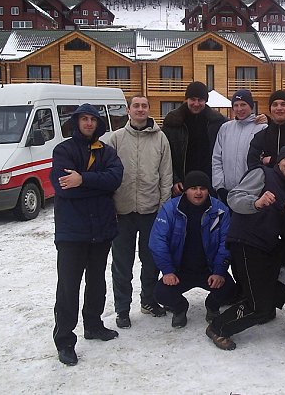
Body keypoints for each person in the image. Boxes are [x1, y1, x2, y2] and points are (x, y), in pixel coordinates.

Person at [206, 145, 285, 350]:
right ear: (278, 161)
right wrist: (256, 202)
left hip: (270, 247)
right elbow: (234, 198)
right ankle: (218, 328)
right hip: (247, 243)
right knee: (259, 307)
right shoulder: (262, 174)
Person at [50, 103, 124, 366]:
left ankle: (93, 325)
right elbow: (64, 187)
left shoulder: (107, 152)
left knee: (96, 282)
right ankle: (65, 341)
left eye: (93, 119)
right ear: (77, 122)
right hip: (72, 232)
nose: (89, 123)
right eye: (84, 119)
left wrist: (83, 179)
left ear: (98, 123)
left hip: (101, 229)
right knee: (68, 287)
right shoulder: (63, 151)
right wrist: (98, 184)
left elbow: (115, 179)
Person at [109, 95, 173, 329]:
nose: (140, 109)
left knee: (151, 260)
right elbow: (108, 174)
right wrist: (111, 205)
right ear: (128, 110)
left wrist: (163, 207)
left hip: (150, 210)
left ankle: (148, 300)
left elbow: (166, 174)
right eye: (136, 106)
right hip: (122, 211)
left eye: (144, 106)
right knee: (122, 264)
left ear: (149, 109)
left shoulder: (160, 138)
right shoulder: (116, 138)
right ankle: (122, 308)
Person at [149, 171, 236, 328]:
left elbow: (226, 243)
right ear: (185, 190)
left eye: (203, 188)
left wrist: (219, 271)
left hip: (208, 269)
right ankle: (180, 308)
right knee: (160, 293)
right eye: (193, 188)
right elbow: (157, 241)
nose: (198, 192)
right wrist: (168, 271)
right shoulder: (170, 209)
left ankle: (212, 306)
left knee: (230, 289)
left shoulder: (220, 210)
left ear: (208, 190)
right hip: (180, 270)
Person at [162, 81, 227, 197]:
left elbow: (237, 127)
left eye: (200, 100)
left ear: (205, 101)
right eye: (192, 99)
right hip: (182, 183)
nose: (196, 104)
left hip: (210, 182)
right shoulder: (173, 122)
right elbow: (165, 155)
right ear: (186, 99)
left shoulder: (217, 121)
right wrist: (174, 179)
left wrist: (260, 121)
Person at [212, 89, 267, 205]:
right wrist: (219, 186)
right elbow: (217, 159)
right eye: (236, 105)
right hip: (226, 192)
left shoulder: (261, 128)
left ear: (251, 106)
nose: (239, 109)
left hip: (252, 193)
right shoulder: (225, 128)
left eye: (243, 104)